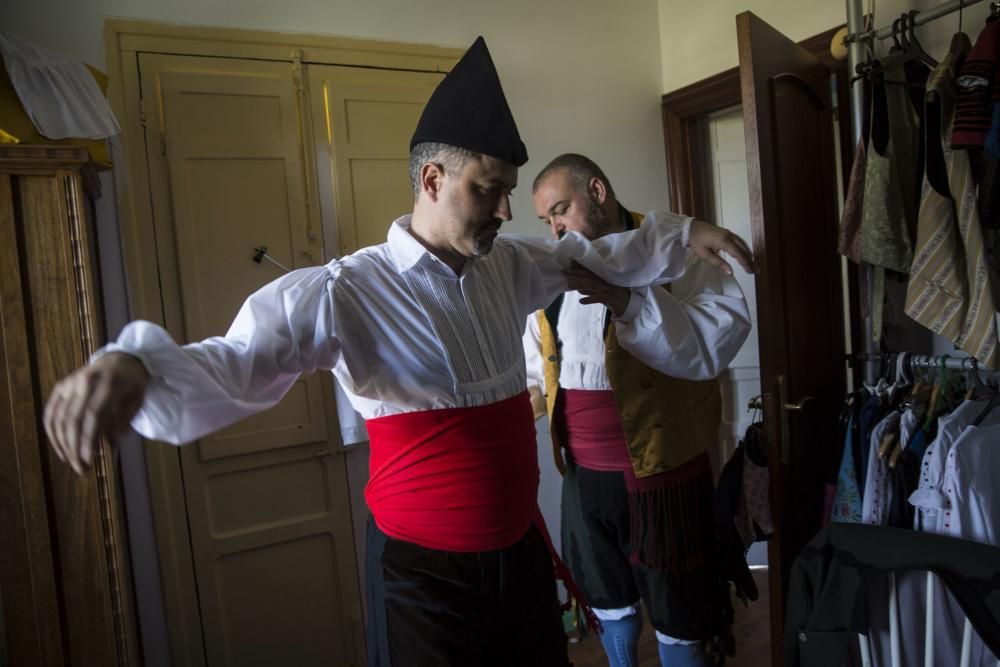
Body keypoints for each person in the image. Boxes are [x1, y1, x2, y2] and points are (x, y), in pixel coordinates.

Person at [42, 39, 754, 667]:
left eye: (509, 192)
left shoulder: (509, 266)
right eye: (490, 189)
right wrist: (133, 364)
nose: (505, 211)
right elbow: (236, 359)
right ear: (433, 180)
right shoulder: (345, 291)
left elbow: (590, 252)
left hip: (519, 555)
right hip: (422, 578)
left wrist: (682, 233)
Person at [524, 153, 753, 667]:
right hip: (583, 475)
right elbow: (542, 369)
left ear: (598, 192)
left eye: (562, 209)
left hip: (662, 467)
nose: (557, 228)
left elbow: (711, 344)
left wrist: (627, 301)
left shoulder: (679, 252)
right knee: (606, 597)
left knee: (680, 606)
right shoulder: (555, 272)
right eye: (547, 220)